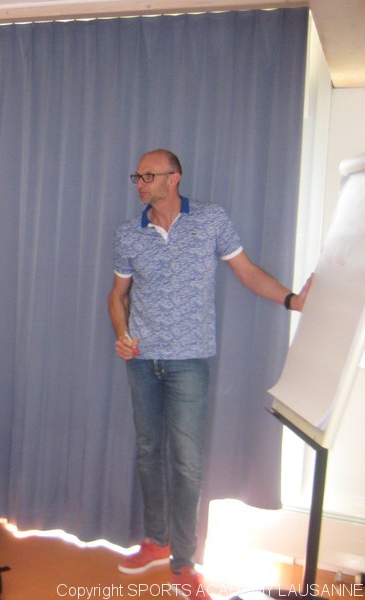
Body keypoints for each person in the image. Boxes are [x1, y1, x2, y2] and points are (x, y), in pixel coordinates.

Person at [107, 149, 312, 599]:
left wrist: (292, 300)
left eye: (148, 176)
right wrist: (122, 334)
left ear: (173, 178)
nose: (139, 183)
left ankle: (184, 562)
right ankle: (156, 540)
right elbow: (117, 295)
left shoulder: (211, 219)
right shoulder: (128, 233)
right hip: (141, 360)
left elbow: (247, 272)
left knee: (187, 462)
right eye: (137, 176)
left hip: (189, 360)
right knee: (148, 452)